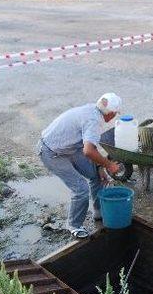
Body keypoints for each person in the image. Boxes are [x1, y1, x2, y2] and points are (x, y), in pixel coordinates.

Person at [38, 93, 122, 238]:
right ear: (111, 114)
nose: (114, 117)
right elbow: (88, 151)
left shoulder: (93, 109)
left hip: (69, 147)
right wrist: (109, 165)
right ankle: (74, 225)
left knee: (96, 174)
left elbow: (90, 147)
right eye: (115, 114)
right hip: (51, 151)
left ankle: (98, 211)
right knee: (81, 189)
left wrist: (100, 167)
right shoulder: (93, 120)